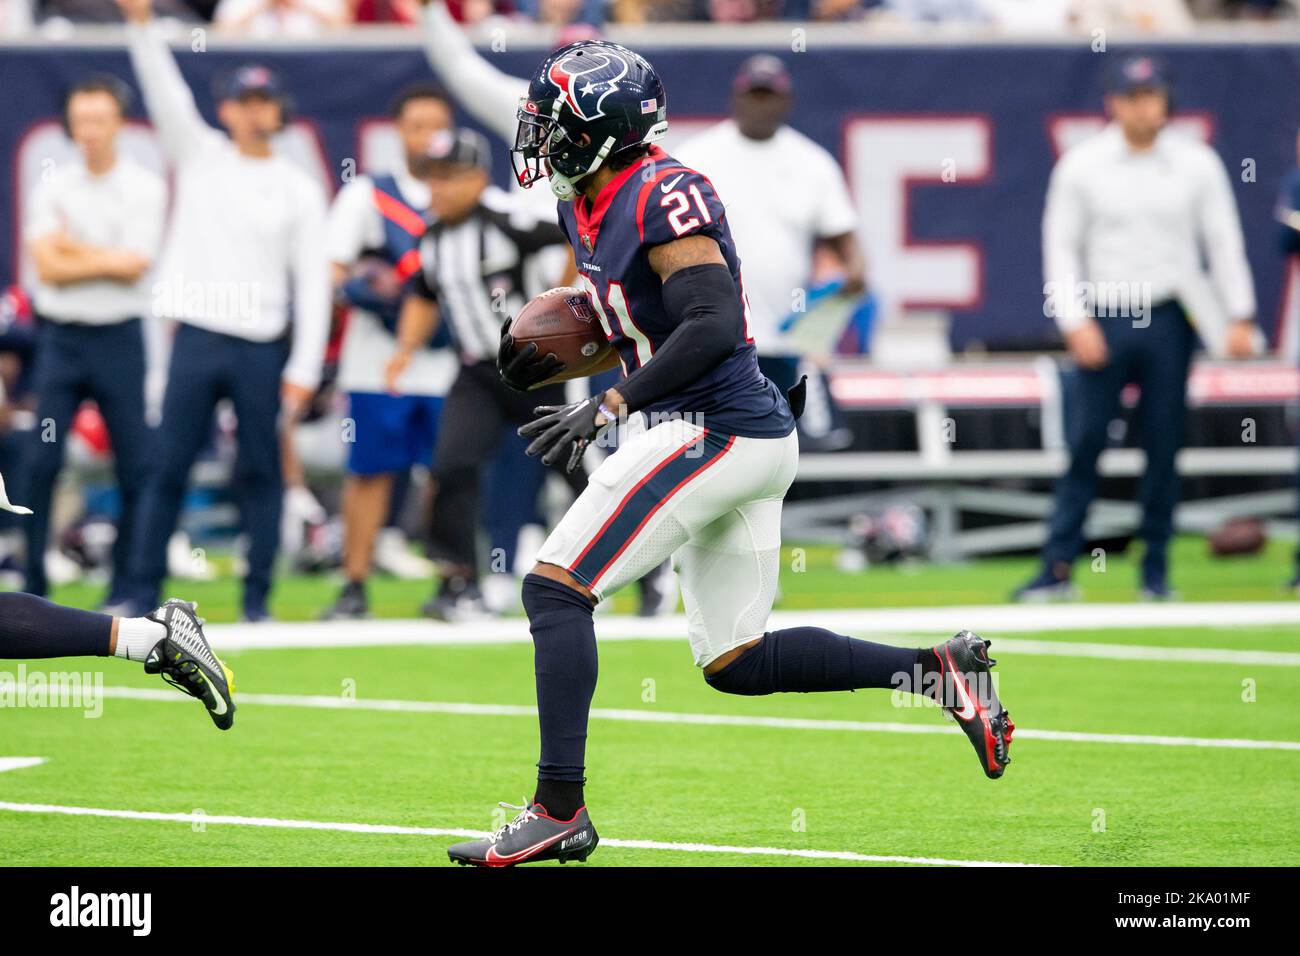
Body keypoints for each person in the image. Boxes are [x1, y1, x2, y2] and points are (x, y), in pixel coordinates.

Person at [444, 41, 1013, 867]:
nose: (541, 137)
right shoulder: (590, 198)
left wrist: (611, 399)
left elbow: (710, 322)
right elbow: (645, 321)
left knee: (554, 587)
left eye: (556, 124)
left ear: (604, 131)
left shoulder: (664, 191)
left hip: (713, 428)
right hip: (731, 434)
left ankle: (557, 808)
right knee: (735, 660)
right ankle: (939, 672)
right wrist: (592, 343)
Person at [1014, 54, 1258, 603]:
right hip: (1106, 312)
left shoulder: (1196, 163)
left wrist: (1239, 313)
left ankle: (1156, 569)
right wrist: (1074, 320)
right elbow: (1062, 245)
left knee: (1164, 445)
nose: (1147, 108)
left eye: (1155, 96)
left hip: (1170, 314)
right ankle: (1058, 566)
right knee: (1085, 442)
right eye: (1135, 97)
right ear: (1114, 103)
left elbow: (1222, 240)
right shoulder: (1084, 164)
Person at [116, 0, 331, 621]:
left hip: (262, 344)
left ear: (278, 110)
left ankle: (257, 597)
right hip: (197, 337)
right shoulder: (201, 155)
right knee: (166, 468)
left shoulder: (299, 188)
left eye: (265, 100)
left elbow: (314, 284)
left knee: (261, 473)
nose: (254, 111)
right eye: (243, 100)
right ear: (226, 109)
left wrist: (304, 368)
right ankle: (138, 588)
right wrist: (139, 27)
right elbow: (164, 93)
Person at [385, 128, 578, 620]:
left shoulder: (510, 219)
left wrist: (559, 311)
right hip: (476, 370)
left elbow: (581, 239)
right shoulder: (432, 236)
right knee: (450, 465)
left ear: (476, 178)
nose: (439, 190)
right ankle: (459, 583)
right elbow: (426, 296)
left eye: (450, 178)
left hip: (539, 368)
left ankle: (647, 574)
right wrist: (404, 351)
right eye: (431, 179)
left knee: (579, 471)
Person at [22, 74, 165, 606]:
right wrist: (101, 257)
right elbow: (45, 267)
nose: (90, 131)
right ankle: (33, 580)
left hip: (120, 338)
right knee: (40, 461)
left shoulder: (144, 186)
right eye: (81, 120)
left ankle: (130, 585)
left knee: (137, 463)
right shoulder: (54, 186)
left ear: (119, 124)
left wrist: (72, 249)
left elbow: (134, 266)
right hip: (62, 338)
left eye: (99, 120)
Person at [676, 54, 865, 451]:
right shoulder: (697, 158)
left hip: (784, 337)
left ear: (786, 101)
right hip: (714, 338)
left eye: (769, 96)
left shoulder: (811, 162)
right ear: (736, 98)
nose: (760, 105)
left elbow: (850, 250)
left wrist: (846, 283)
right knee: (713, 449)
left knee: (784, 452)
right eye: (753, 95)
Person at [321, 84, 458, 620]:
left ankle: (452, 580)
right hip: (378, 362)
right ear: (399, 131)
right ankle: (354, 583)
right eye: (416, 125)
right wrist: (371, 290)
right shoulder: (368, 194)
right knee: (370, 472)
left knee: (449, 473)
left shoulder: (463, 191)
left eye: (436, 125)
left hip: (447, 358)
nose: (427, 137)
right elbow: (335, 271)